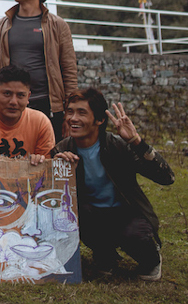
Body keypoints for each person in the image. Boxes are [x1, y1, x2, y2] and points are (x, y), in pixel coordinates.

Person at [52, 89, 174, 281]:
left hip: (127, 214)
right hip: (92, 215)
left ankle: (151, 258)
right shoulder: (63, 149)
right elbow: (54, 200)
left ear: (99, 120)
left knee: (135, 237)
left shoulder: (118, 145)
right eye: (70, 111)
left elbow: (167, 177)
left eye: (82, 113)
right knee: (75, 215)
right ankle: (105, 254)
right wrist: (60, 171)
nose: (73, 118)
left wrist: (136, 142)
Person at [0, 0, 77, 142]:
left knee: (48, 156)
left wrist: (70, 110)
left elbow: (69, 70)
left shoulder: (57, 25)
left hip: (47, 103)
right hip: (11, 103)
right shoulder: (1, 26)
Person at [0, 64, 54, 164]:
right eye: (7, 94)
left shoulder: (40, 122)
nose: (13, 101)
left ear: (28, 97)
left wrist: (38, 160)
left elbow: (47, 166)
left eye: (20, 95)